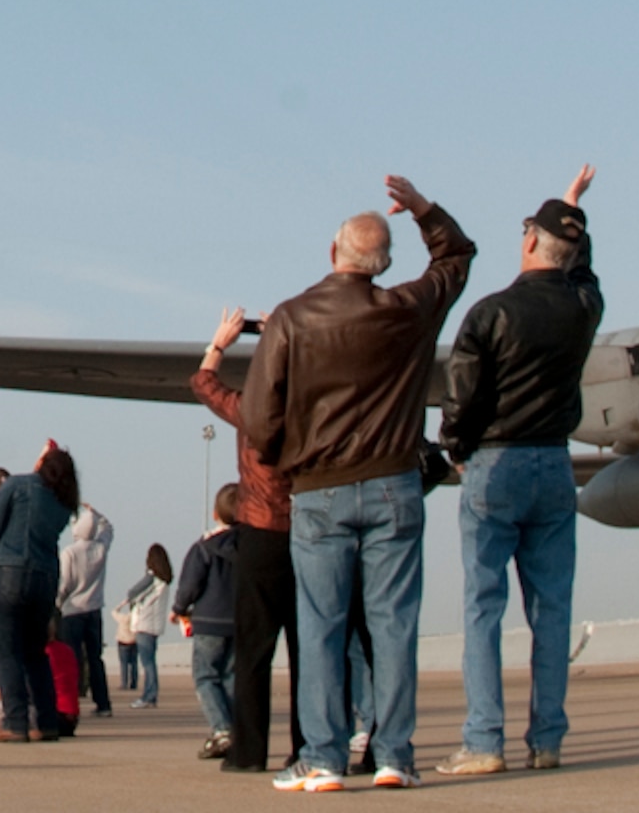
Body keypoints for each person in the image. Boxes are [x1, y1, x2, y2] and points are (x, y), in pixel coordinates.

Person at [241, 174, 474, 792]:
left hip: (318, 490)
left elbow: (259, 418)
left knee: (320, 626)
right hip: (395, 486)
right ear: (384, 264)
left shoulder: (290, 319)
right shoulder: (407, 310)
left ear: (332, 252)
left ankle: (321, 757)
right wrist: (424, 210)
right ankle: (394, 753)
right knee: (393, 623)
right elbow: (457, 257)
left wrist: (285, 459)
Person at [436, 166, 602, 778]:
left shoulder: (490, 311)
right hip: (556, 463)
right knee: (551, 610)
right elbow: (583, 268)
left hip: (496, 463)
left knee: (484, 607)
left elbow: (463, 395)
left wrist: (456, 446)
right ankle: (547, 739)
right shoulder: (584, 307)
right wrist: (574, 209)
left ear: (530, 239)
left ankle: (484, 742)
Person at [194, 306, 303, 772]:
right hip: (306, 533)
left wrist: (220, 344)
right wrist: (288, 334)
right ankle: (309, 746)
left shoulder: (246, 408)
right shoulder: (309, 408)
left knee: (254, 651)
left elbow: (203, 383)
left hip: (258, 534)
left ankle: (249, 751)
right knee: (309, 650)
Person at [0, 440, 79, 743]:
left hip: (8, 571)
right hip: (45, 577)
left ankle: (15, 724)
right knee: (34, 653)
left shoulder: (17, 485)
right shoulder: (63, 502)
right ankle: (45, 722)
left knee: (6, 652)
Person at [173, 484, 241, 759]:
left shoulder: (204, 548)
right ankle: (233, 728)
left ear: (216, 514)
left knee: (205, 676)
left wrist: (179, 608)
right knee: (231, 676)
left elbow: (190, 584)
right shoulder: (250, 548)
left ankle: (221, 729)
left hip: (209, 621)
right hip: (239, 620)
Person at [57, 502, 114, 716]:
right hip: (94, 609)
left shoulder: (70, 552)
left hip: (73, 610)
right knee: (95, 658)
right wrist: (95, 512)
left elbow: (65, 583)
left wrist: (58, 603)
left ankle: (71, 703)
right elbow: (108, 528)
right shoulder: (100, 548)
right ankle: (103, 703)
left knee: (71, 659)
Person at [124, 545, 173, 707]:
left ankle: (148, 696)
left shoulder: (152, 578)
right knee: (150, 661)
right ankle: (150, 695)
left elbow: (132, 592)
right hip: (155, 625)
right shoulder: (165, 580)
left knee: (147, 662)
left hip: (144, 623)